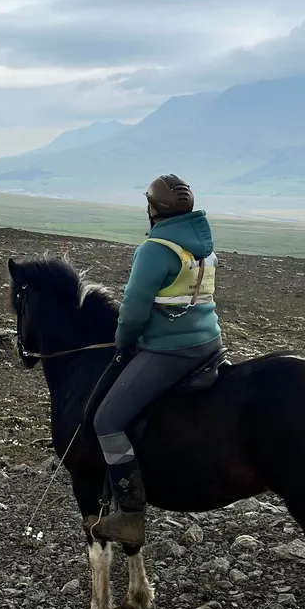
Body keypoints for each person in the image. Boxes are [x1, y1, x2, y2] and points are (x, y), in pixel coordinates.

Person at [92, 173, 223, 547]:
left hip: (171, 352)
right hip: (210, 344)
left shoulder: (155, 249)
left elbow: (133, 309)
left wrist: (123, 342)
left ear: (153, 209)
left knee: (107, 419)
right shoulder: (204, 246)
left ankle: (130, 515)